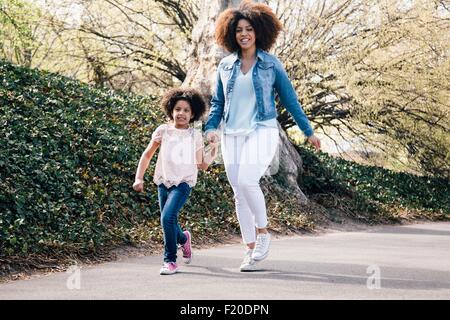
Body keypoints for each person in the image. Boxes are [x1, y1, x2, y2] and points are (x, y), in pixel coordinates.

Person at [204, 0, 321, 272]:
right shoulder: (225, 66)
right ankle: (250, 250)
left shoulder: (271, 64)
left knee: (247, 180)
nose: (244, 34)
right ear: (231, 34)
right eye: (238, 30)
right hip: (232, 133)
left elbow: (290, 100)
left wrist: (308, 131)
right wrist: (210, 128)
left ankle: (264, 233)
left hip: (262, 129)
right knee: (238, 192)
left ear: (258, 32)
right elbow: (218, 103)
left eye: (249, 29)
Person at [133, 88, 218, 275]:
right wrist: (139, 177)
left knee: (167, 218)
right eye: (178, 109)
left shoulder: (194, 135)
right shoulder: (163, 131)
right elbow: (147, 155)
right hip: (163, 181)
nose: (181, 113)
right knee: (169, 220)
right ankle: (183, 238)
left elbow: (202, 165)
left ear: (193, 114)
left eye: (186, 110)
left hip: (183, 183)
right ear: (171, 110)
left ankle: (170, 260)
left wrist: (213, 148)